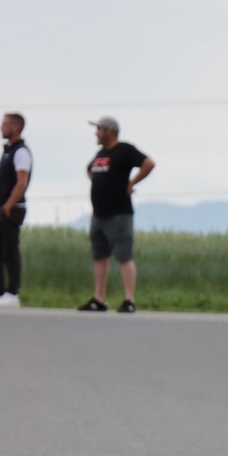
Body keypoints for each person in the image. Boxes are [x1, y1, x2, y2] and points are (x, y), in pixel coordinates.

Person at [78, 117, 155, 313]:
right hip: (98, 214)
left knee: (123, 256)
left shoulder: (125, 150)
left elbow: (148, 163)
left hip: (119, 213)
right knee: (99, 256)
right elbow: (89, 169)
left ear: (110, 131)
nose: (96, 133)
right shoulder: (101, 153)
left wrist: (132, 183)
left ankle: (129, 300)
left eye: (99, 129)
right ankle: (99, 299)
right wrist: (100, 183)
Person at [0, 113, 32, 308]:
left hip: (12, 208)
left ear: (16, 127)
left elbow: (21, 183)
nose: (1, 127)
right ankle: (0, 292)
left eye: (5, 124)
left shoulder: (21, 152)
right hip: (3, 207)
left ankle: (12, 292)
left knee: (10, 250)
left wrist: (8, 206)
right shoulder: (7, 151)